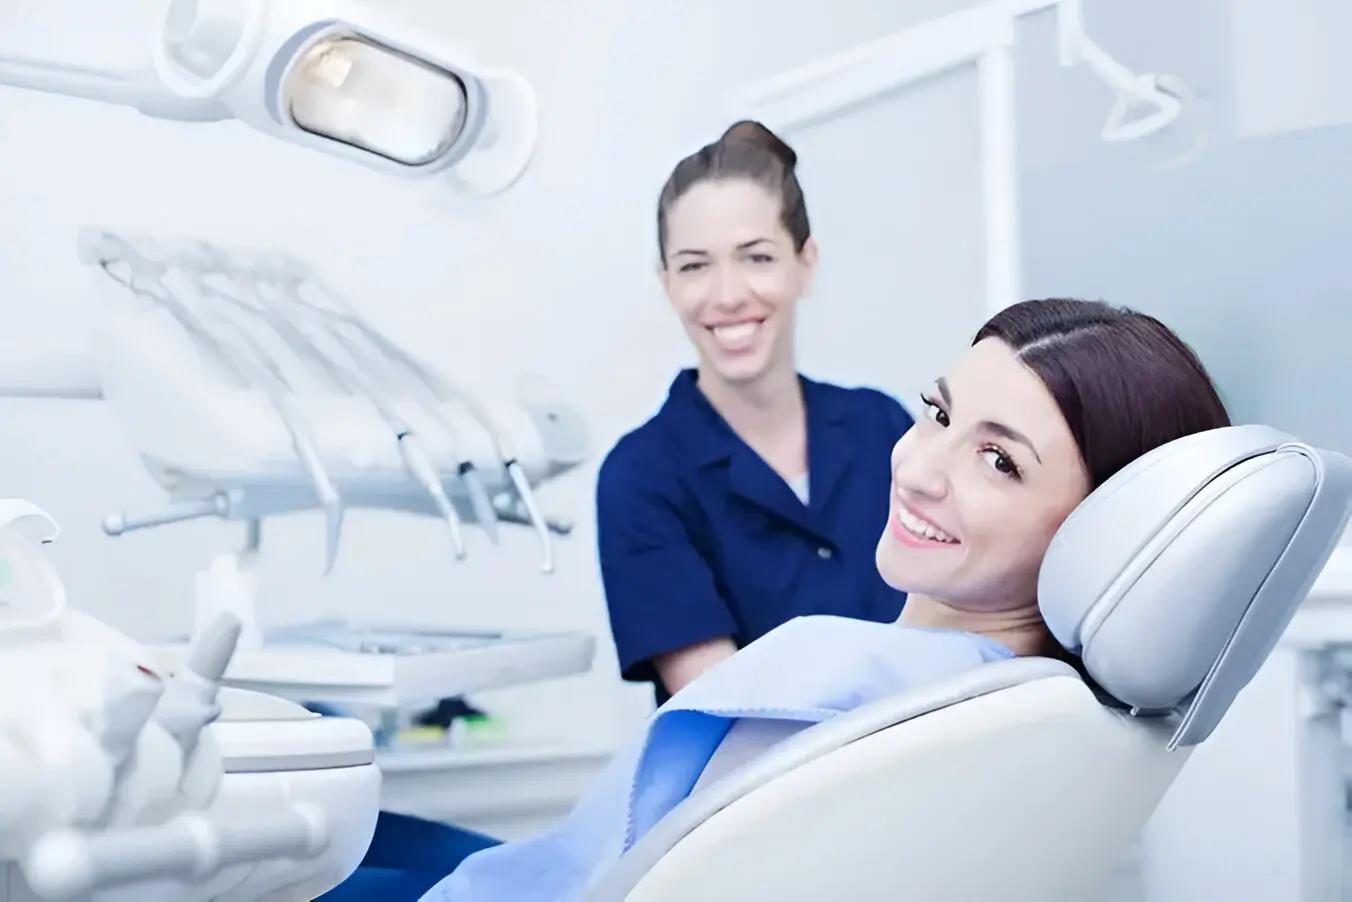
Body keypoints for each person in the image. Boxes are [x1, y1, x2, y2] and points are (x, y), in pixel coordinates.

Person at [320, 298, 1231, 901]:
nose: (916, 469)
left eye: (999, 460)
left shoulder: (836, 668)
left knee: (305, 841)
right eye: (938, 413)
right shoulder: (1049, 709)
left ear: (1103, 528)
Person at [597, 120, 916, 704]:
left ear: (805, 263)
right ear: (666, 283)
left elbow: (962, 617)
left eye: (757, 257)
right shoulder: (641, 477)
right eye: (695, 265)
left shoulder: (884, 430)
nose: (727, 295)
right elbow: (728, 711)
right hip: (765, 791)